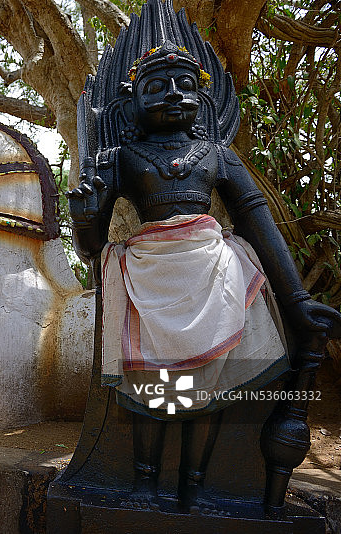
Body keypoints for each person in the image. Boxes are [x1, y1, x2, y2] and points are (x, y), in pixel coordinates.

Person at [69, 28, 341, 512]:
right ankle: (145, 485)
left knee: (213, 383)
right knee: (151, 387)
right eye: (158, 86)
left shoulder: (217, 154)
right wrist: (85, 217)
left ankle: (196, 487)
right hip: (148, 274)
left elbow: (258, 219)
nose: (174, 93)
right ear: (131, 105)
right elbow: (91, 249)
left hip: (214, 272)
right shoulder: (119, 158)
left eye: (185, 84)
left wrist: (297, 300)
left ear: (205, 97)